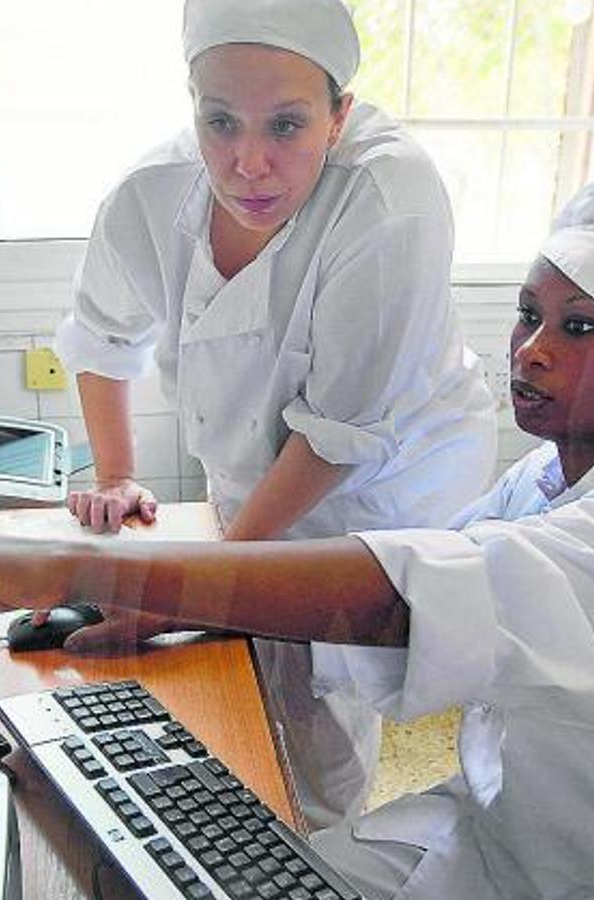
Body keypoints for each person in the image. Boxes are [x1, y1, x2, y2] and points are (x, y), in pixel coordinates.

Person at [0, 180, 594, 898]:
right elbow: (421, 591)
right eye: (529, 316)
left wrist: (55, 562)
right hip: (509, 841)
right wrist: (181, 610)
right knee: (241, 866)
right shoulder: (553, 473)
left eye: (580, 329)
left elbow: (404, 600)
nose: (533, 350)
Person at [48, 0, 496, 828]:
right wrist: (115, 475)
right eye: (220, 121)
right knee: (248, 678)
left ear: (340, 116)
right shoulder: (148, 196)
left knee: (319, 704)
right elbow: (102, 336)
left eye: (287, 125)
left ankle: (320, 850)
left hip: (381, 478)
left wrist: (198, 592)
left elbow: (338, 434)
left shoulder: (391, 202)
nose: (249, 164)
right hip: (264, 474)